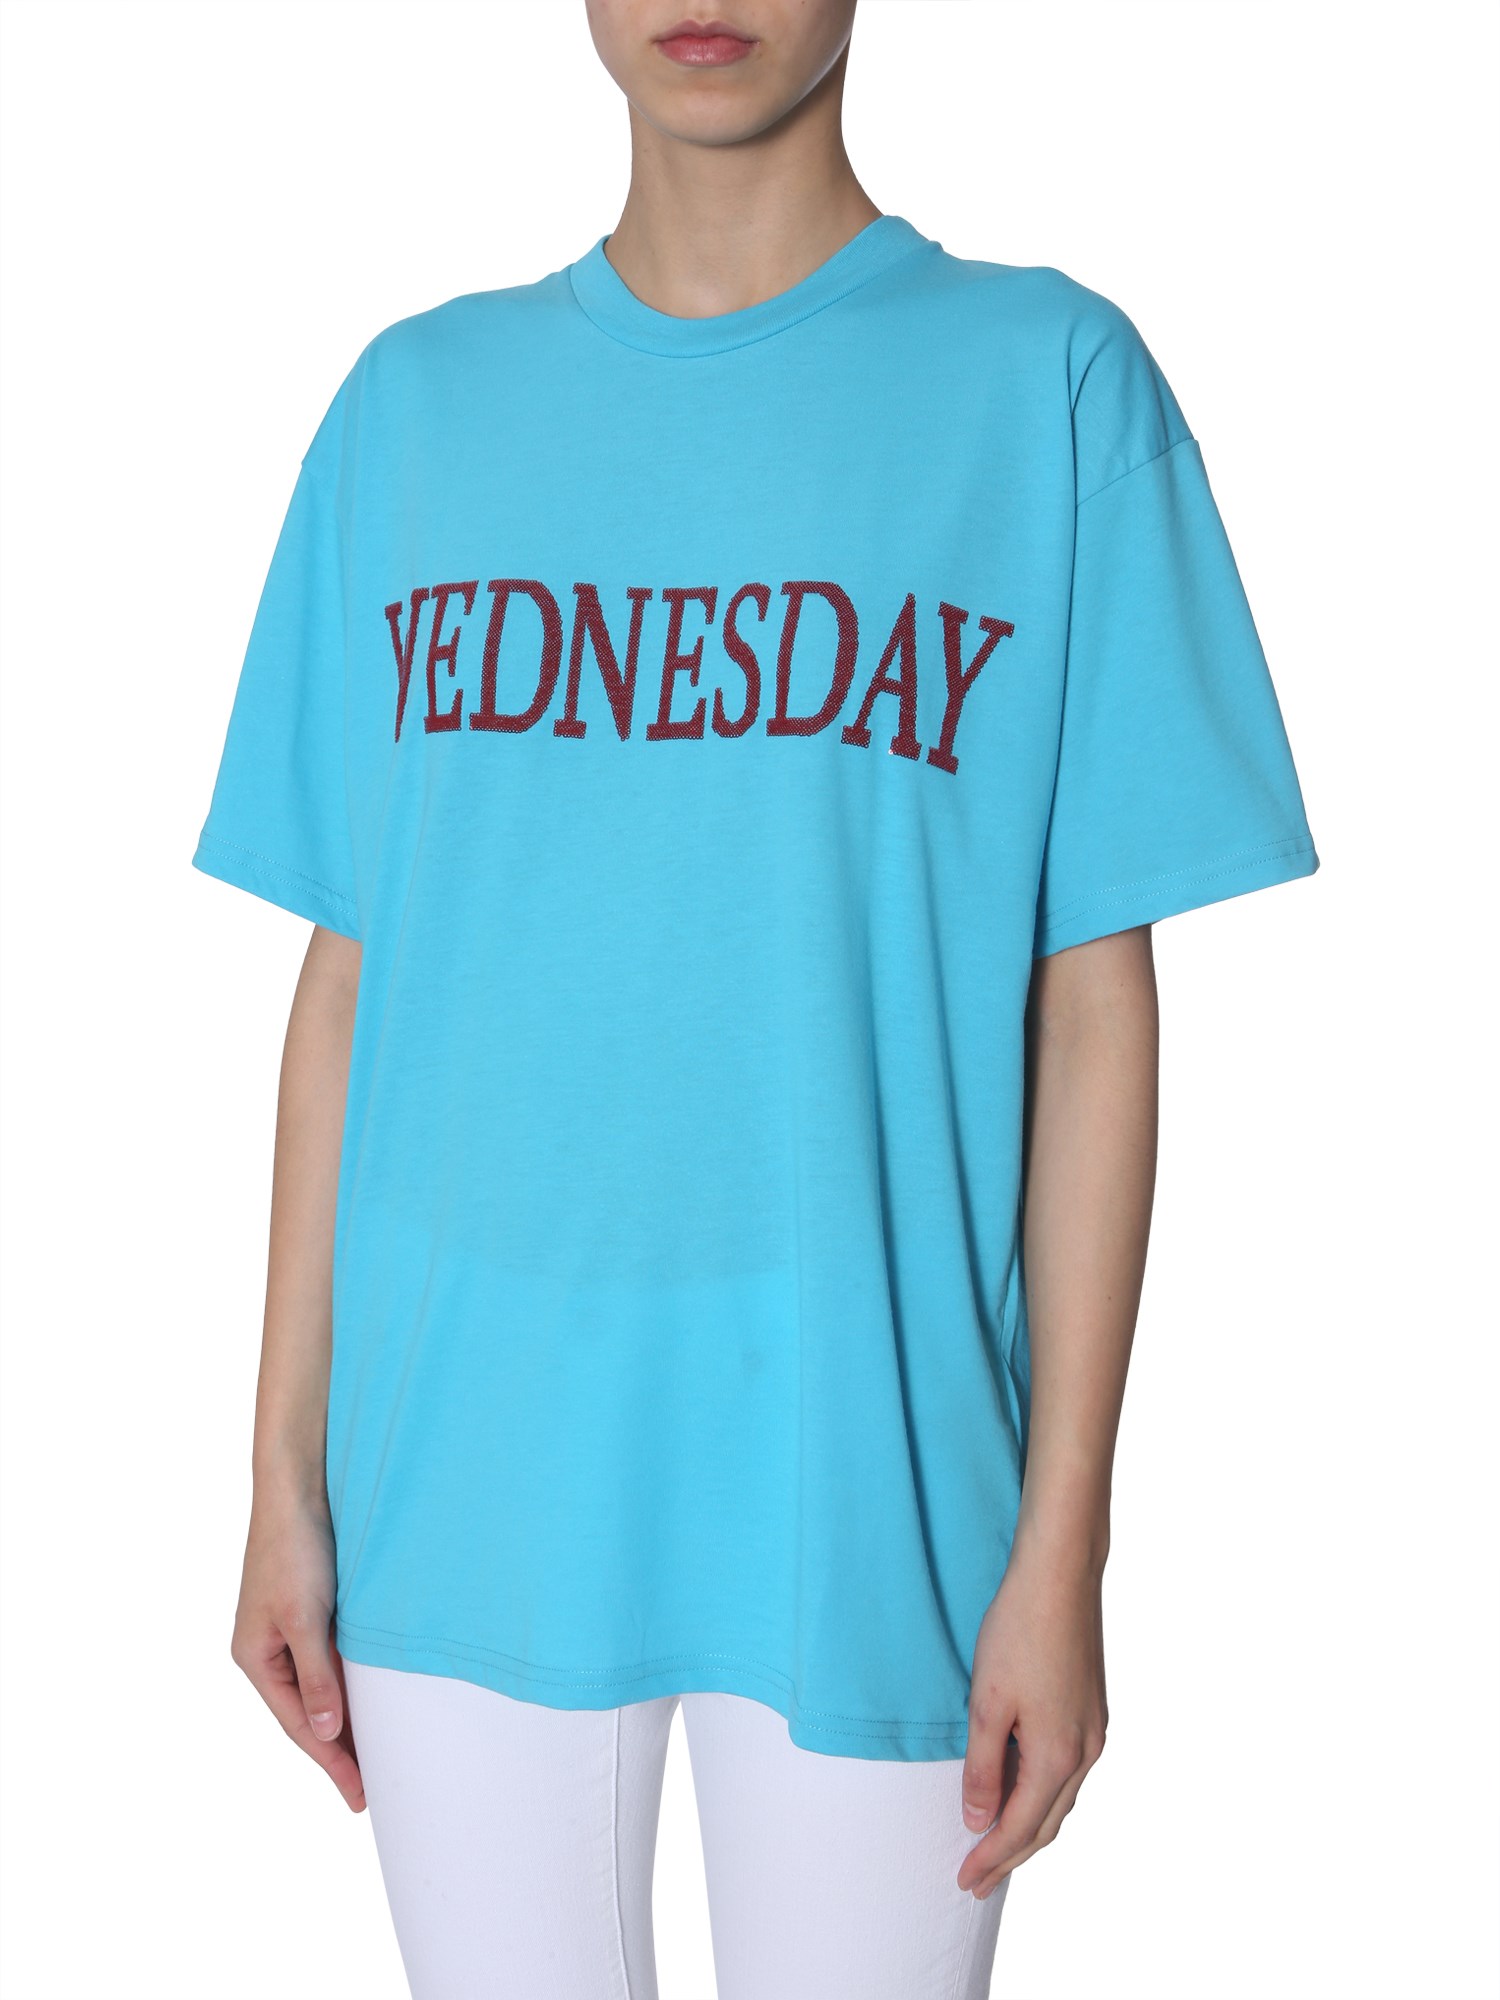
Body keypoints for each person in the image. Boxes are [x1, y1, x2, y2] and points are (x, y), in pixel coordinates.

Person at [190, 3, 1319, 1995]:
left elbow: (1093, 1006)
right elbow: (351, 980)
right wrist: (279, 1474)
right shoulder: (413, 411)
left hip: (874, 1478)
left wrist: (1066, 1540)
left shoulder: (1047, 385)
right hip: (460, 1474)